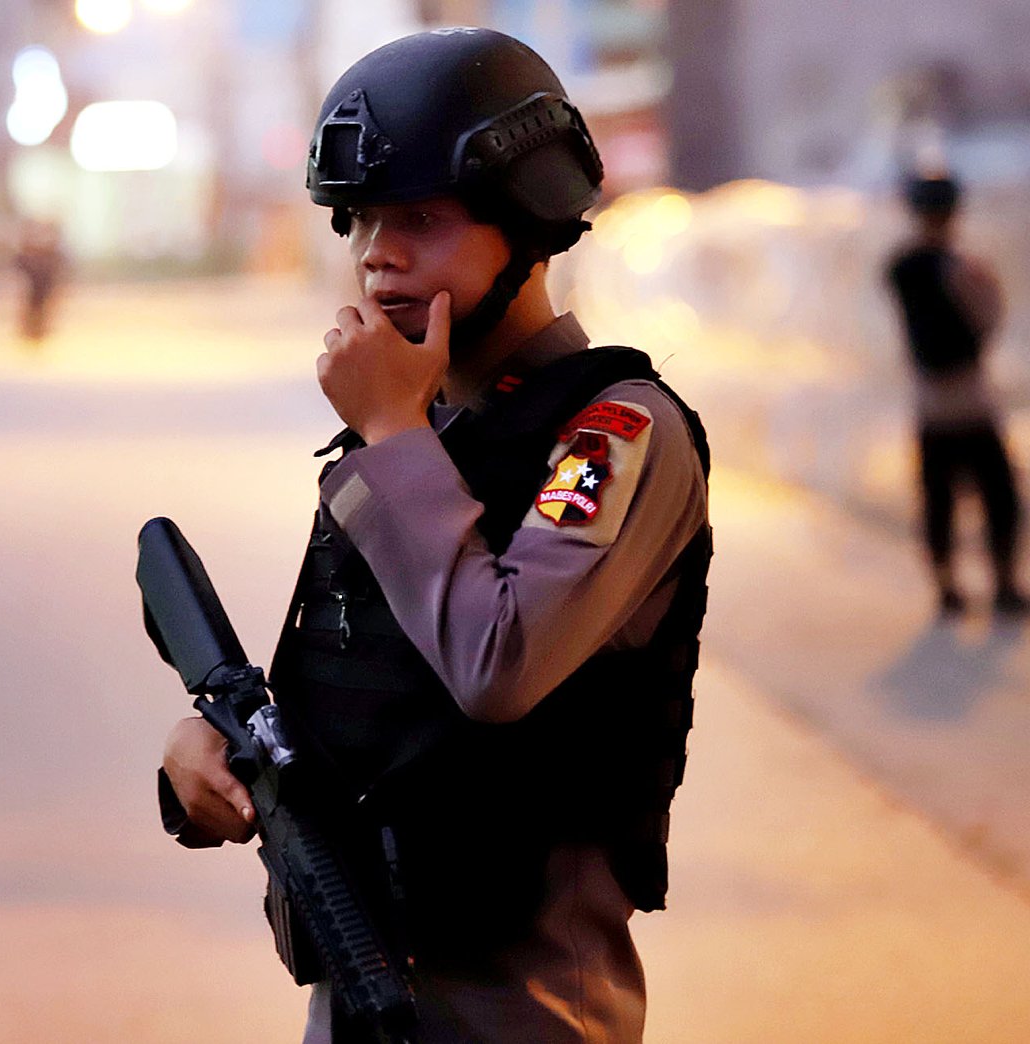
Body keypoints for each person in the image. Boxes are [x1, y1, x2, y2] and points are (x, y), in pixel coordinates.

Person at [160, 27, 713, 1042]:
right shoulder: (416, 434)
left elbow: (497, 664)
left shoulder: (615, 434)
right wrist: (216, 749)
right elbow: (365, 693)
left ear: (529, 218)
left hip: (522, 1011)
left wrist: (392, 434)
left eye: (421, 217)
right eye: (362, 221)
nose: (379, 254)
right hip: (360, 984)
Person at [886, 173, 1030, 617]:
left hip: (930, 404)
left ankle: (947, 587)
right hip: (971, 400)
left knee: (938, 499)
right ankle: (1004, 585)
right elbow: (990, 317)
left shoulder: (902, 268)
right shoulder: (963, 268)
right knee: (999, 494)